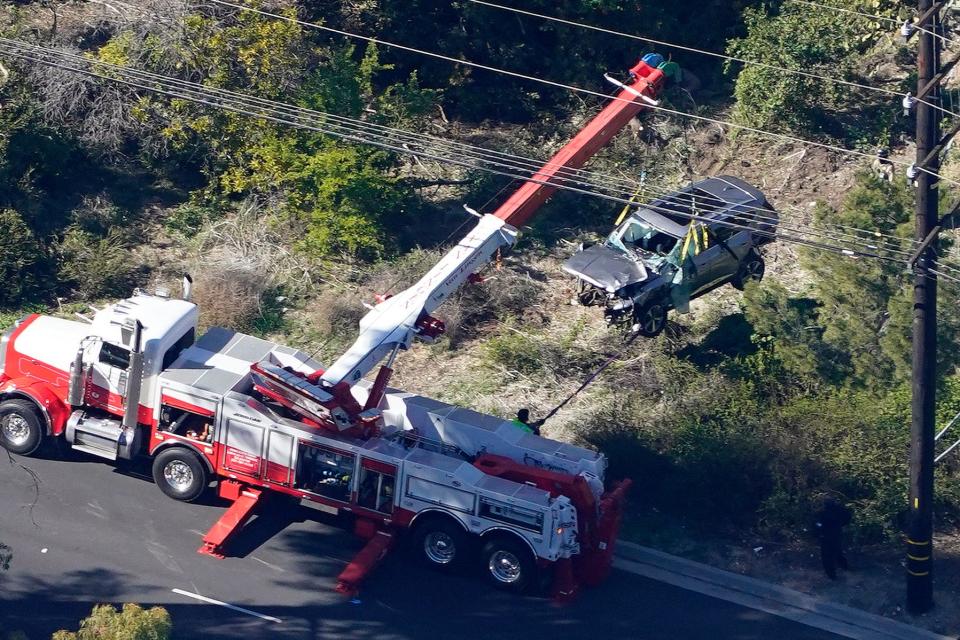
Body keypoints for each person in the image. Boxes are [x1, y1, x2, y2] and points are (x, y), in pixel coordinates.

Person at [814, 498, 852, 580]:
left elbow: (817, 525)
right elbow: (848, 517)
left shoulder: (822, 513)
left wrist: (817, 535)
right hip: (836, 534)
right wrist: (842, 525)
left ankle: (831, 575)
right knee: (838, 551)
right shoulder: (840, 510)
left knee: (827, 556)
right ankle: (844, 566)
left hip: (826, 536)